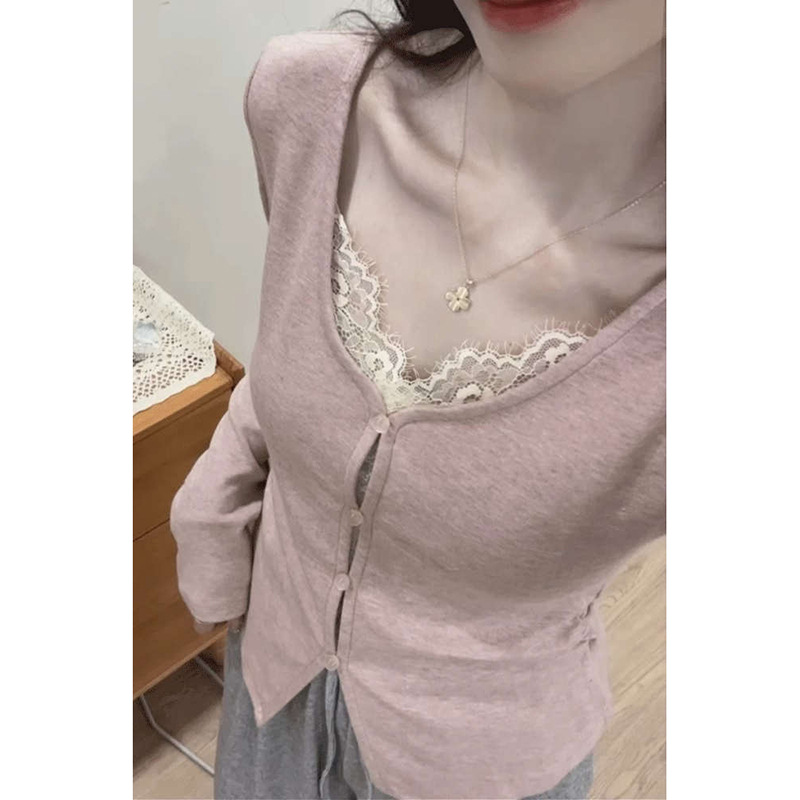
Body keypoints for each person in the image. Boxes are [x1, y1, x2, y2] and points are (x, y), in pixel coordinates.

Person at [174, 1, 666, 798]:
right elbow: (290, 359)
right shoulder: (309, 100)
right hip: (271, 688)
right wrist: (214, 504)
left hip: (484, 764)